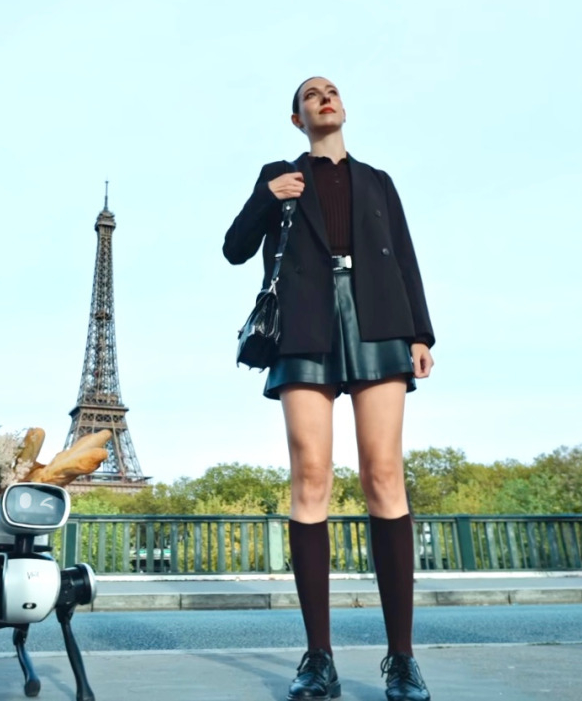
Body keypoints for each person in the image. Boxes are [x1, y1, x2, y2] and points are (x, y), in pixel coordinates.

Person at [223, 76, 436, 701]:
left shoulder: (378, 180)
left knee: (383, 475)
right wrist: (268, 197)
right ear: (297, 118)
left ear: (342, 108)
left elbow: (406, 258)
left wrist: (422, 332)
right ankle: (319, 657)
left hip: (379, 319)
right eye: (311, 93)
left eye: (331, 90)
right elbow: (235, 250)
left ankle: (402, 660)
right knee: (311, 474)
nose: (324, 96)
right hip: (305, 324)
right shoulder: (279, 175)